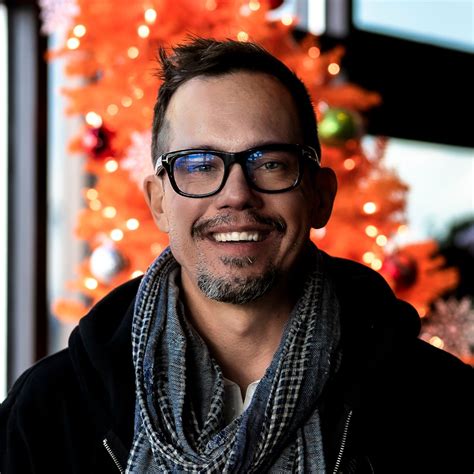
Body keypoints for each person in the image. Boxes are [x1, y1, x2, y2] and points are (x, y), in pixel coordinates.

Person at [1, 38, 473, 473]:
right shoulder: (45, 413)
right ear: (159, 202)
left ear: (320, 196)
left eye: (270, 163)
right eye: (199, 165)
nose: (236, 195)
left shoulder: (446, 407)